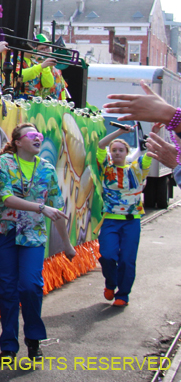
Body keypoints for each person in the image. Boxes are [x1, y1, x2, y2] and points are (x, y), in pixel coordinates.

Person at [0, 123, 75, 361]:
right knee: (8, 292)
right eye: (32, 135)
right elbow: (5, 198)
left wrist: (67, 245)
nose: (38, 138)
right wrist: (40, 207)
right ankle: (8, 346)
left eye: (40, 135)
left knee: (30, 287)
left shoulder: (47, 169)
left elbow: (56, 210)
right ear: (17, 141)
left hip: (33, 237)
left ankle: (34, 339)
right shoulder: (3, 163)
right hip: (5, 235)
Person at [95, 125, 151, 307]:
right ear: (110, 153)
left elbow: (150, 152)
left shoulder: (137, 169)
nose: (117, 153)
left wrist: (155, 132)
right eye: (114, 150)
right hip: (110, 221)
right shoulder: (106, 169)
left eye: (121, 150)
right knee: (107, 256)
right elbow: (101, 144)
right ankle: (110, 283)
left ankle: (123, 294)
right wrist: (121, 132)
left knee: (127, 259)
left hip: (131, 222)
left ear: (127, 152)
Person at [21, 34, 69, 99]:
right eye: (42, 49)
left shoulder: (56, 66)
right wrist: (43, 64)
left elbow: (62, 88)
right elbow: (47, 84)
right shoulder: (35, 64)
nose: (46, 51)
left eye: (47, 47)